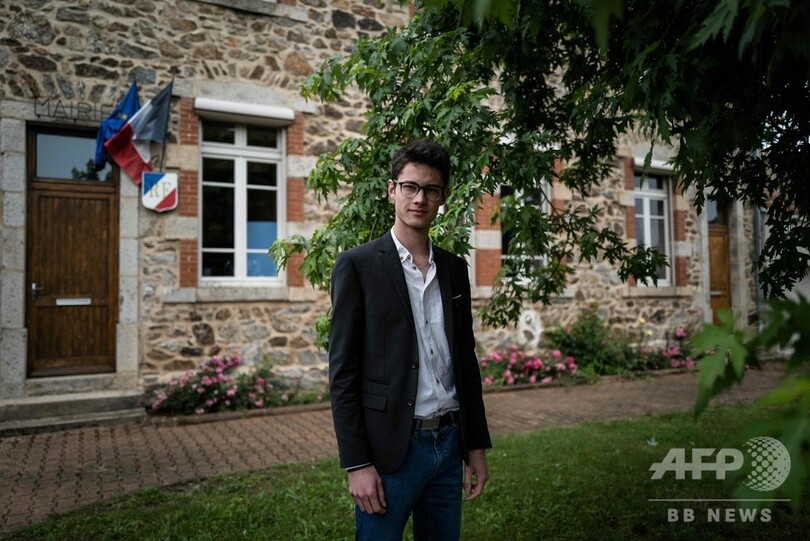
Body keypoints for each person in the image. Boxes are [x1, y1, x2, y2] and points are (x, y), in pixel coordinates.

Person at [328, 139, 492, 540]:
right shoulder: (358, 266)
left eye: (430, 190)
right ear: (392, 190)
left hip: (449, 442)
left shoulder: (454, 269)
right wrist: (357, 464)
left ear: (442, 197)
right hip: (390, 452)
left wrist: (475, 445)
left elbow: (465, 362)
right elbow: (343, 374)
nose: (419, 198)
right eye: (410, 187)